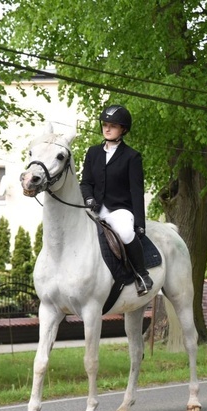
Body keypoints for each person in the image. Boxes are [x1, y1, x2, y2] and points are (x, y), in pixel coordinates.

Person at [80, 104, 153, 296]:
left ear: (123, 129)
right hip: (94, 208)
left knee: (124, 233)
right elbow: (85, 182)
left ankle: (142, 275)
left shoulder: (131, 156)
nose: (107, 128)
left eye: (113, 125)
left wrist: (139, 224)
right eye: (105, 124)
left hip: (119, 209)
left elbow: (137, 192)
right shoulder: (93, 152)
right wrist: (88, 198)